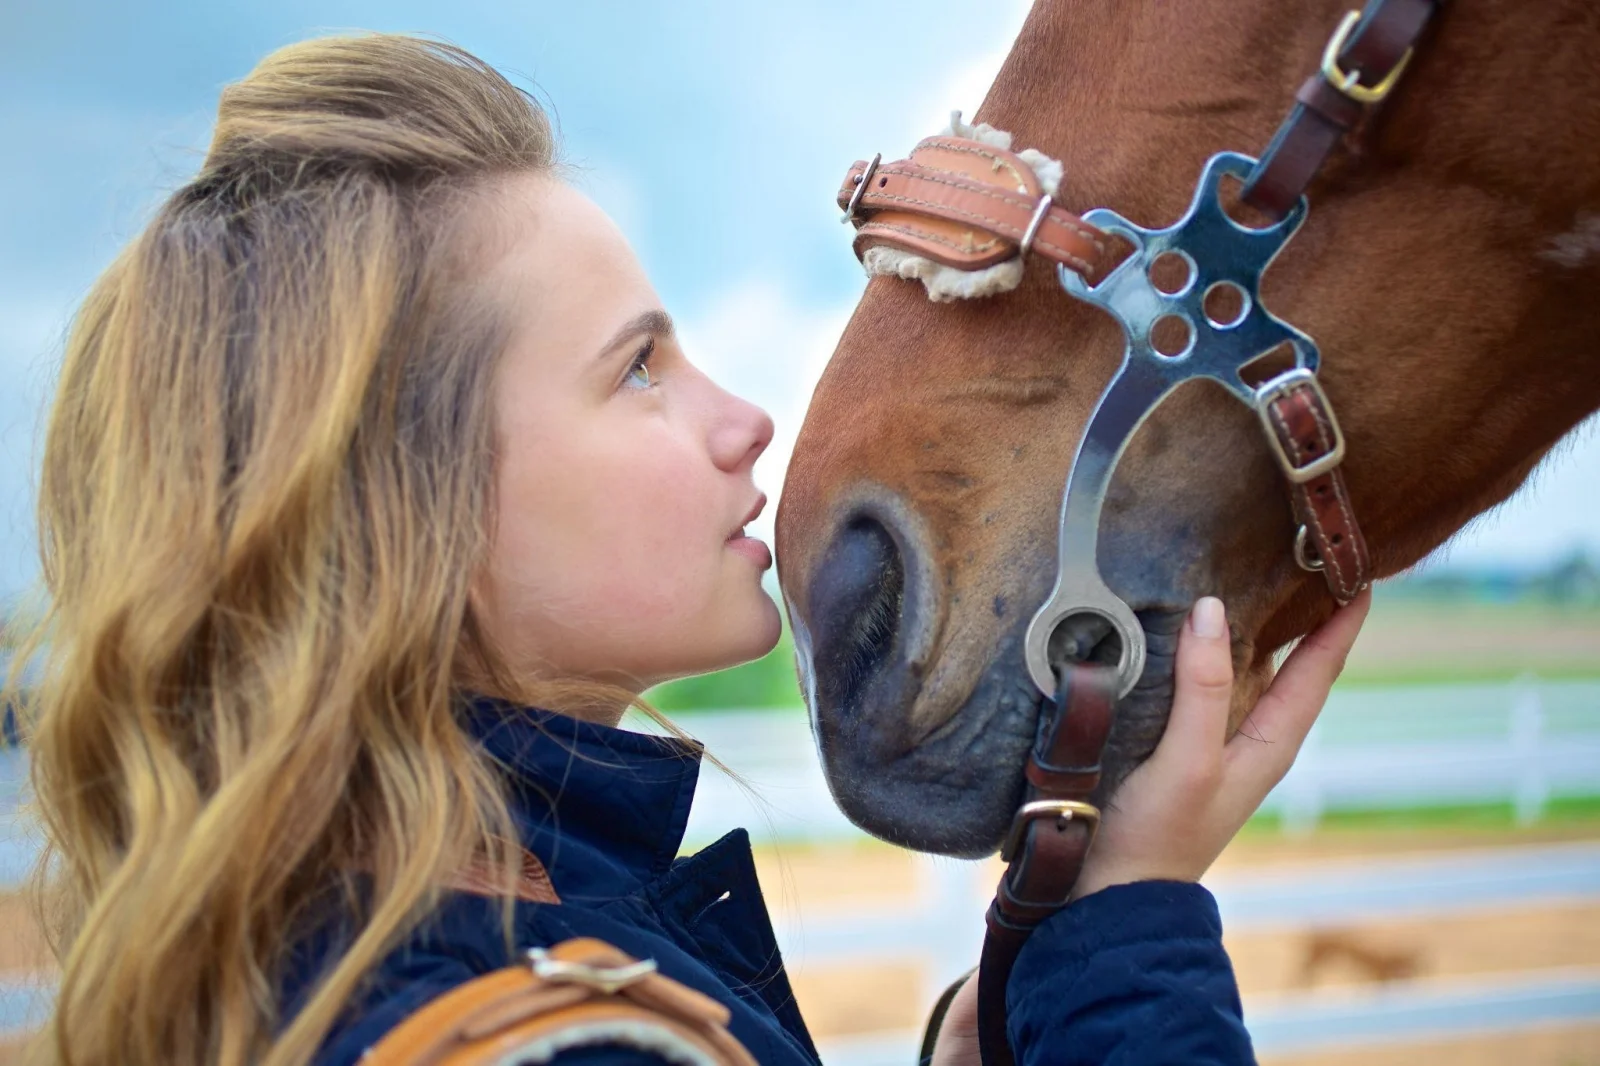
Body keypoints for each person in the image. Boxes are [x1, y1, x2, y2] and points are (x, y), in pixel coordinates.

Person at [11, 33, 1370, 1066]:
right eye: (639, 369)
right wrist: (1129, 938)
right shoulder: (553, 1039)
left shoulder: (371, 956)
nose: (747, 419)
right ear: (407, 513)